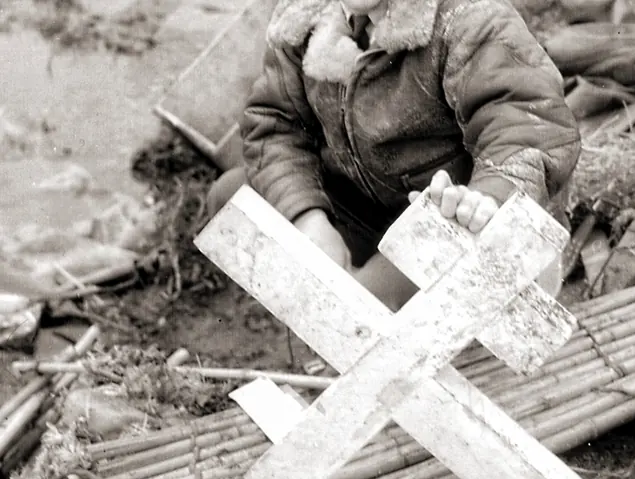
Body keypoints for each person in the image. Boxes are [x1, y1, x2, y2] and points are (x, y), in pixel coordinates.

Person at [207, 0, 581, 310]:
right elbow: (276, 123)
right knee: (234, 201)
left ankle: (384, 329)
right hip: (368, 213)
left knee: (361, 308)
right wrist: (307, 217)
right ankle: (342, 320)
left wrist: (488, 199)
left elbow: (524, 123)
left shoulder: (468, 17)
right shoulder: (306, 17)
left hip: (455, 222)